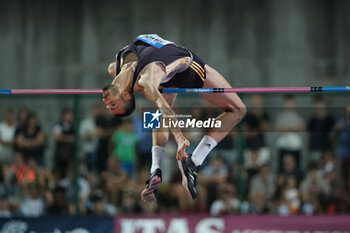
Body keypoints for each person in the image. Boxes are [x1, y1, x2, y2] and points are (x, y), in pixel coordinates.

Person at [102, 34, 246, 201]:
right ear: (127, 96)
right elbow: (166, 110)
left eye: (109, 105)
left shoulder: (114, 68)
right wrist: (179, 138)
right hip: (188, 68)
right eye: (112, 105)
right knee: (238, 110)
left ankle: (156, 169)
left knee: (159, 112)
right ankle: (194, 163)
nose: (106, 103)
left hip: (168, 69)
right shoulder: (147, 82)